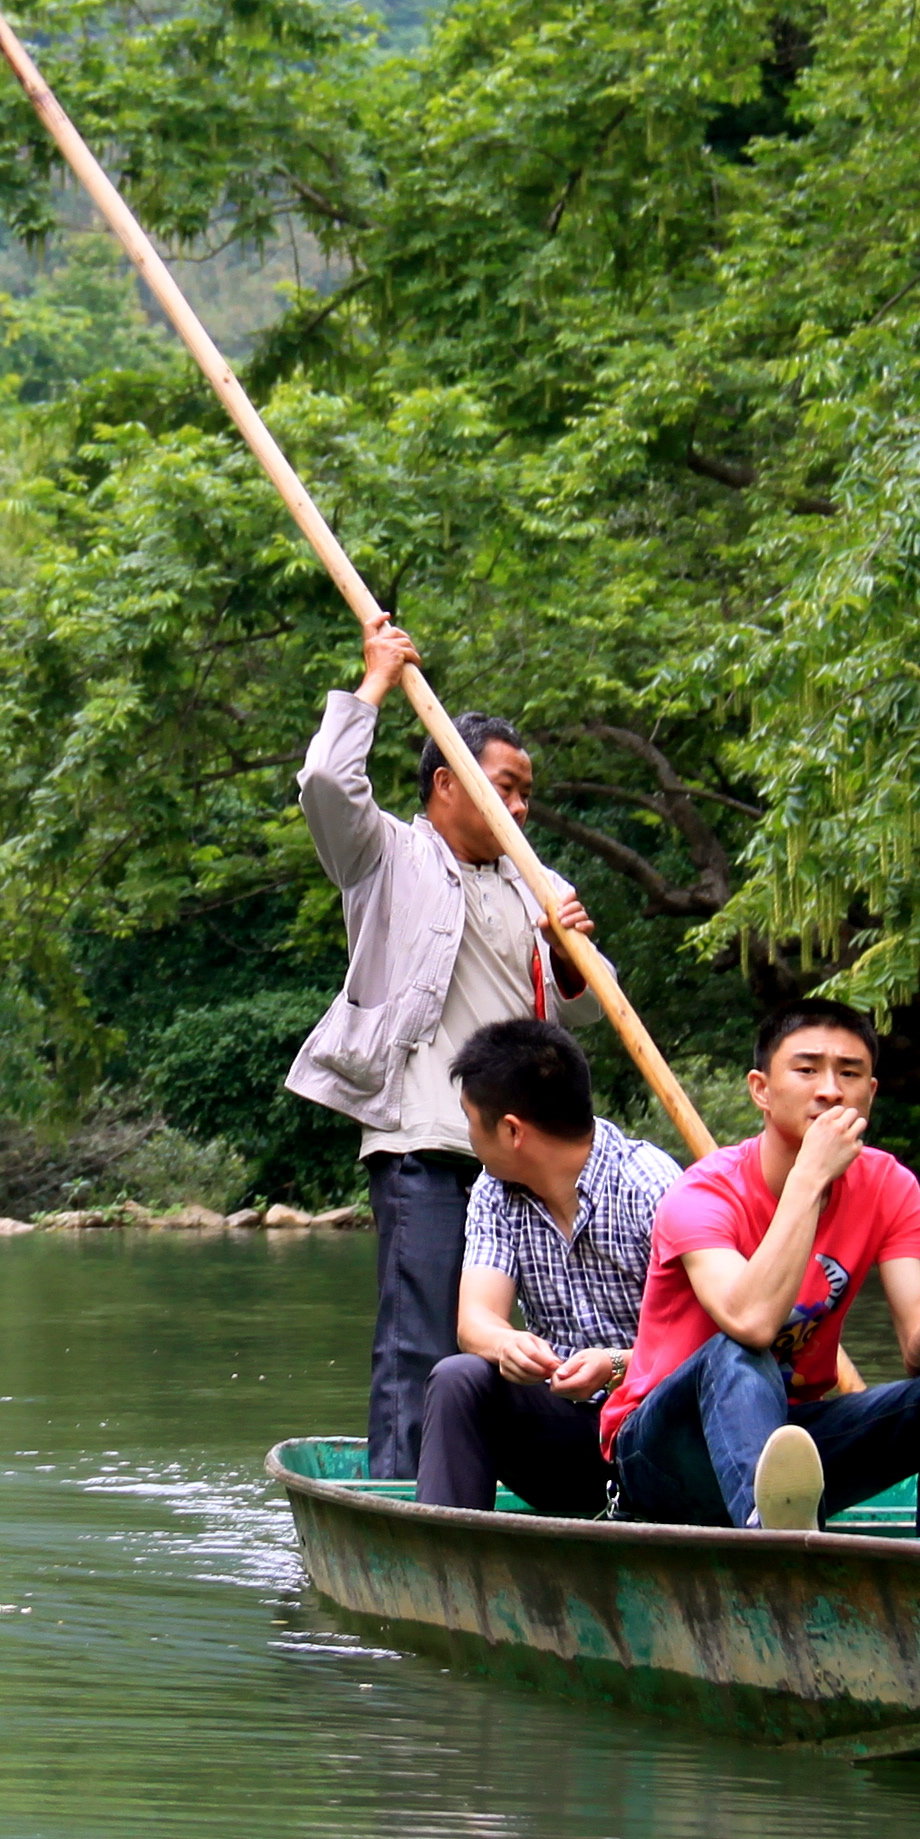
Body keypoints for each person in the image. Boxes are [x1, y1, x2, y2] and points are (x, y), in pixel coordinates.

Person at [285, 610, 596, 1477]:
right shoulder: (387, 858)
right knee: (420, 1337)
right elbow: (324, 783)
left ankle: (547, 1477)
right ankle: (401, 1500)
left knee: (550, 1334)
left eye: (529, 790)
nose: (523, 805)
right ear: (445, 784)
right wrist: (375, 679)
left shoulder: (537, 883)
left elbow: (590, 1007)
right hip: (424, 1141)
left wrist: (571, 948)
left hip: (525, 1154)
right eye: (505, 784)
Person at [601, 998, 920, 1536]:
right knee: (739, 1353)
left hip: (789, 1444)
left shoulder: (889, 1186)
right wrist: (809, 1178)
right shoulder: (702, 1193)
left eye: (850, 1073)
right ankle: (780, 1549)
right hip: (664, 1454)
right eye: (807, 1069)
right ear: (761, 1090)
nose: (831, 1089)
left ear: (870, 1094)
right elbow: (751, 1323)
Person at [418, 1016, 678, 1516]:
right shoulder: (495, 1192)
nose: (469, 1135)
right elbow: (475, 1323)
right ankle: (444, 1557)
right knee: (460, 1378)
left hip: (657, 1439)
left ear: (512, 1130)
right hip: (566, 1436)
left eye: (471, 1120)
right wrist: (507, 1345)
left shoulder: (651, 1187)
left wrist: (615, 1366)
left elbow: (702, 1347)